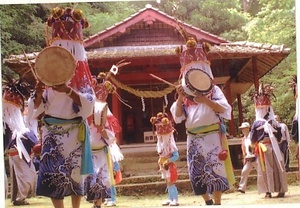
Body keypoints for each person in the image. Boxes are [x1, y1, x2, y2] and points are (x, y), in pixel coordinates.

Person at [170, 35, 234, 205]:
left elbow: (225, 110)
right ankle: (207, 201)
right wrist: (179, 99)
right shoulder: (183, 96)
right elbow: (177, 117)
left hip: (212, 135)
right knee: (196, 169)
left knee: (215, 167)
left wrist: (205, 100)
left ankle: (218, 201)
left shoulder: (214, 91)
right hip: (193, 138)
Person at [28, 47, 95, 208]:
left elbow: (89, 105)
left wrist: (69, 91)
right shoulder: (46, 84)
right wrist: (37, 93)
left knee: (75, 174)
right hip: (52, 134)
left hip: (74, 134)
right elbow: (35, 108)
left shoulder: (81, 83)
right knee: (52, 174)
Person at [85, 74, 124, 208]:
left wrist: (102, 130)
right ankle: (95, 203)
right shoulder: (86, 114)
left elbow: (111, 137)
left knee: (101, 178)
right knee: (92, 178)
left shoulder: (106, 114)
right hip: (89, 152)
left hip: (101, 151)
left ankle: (98, 204)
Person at [2, 77, 39, 206]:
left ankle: (19, 197)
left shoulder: (17, 129)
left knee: (22, 176)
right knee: (26, 176)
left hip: (15, 152)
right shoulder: (22, 129)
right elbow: (36, 144)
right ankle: (19, 198)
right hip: (18, 152)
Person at [249, 83, 288, 198]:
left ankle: (268, 191)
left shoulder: (256, 123)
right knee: (278, 166)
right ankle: (281, 190)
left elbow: (252, 139)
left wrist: (254, 144)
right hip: (275, 147)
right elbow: (280, 137)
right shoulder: (274, 123)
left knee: (265, 169)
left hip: (263, 148)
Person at [150, 112, 180, 206]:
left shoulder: (171, 144)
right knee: (167, 182)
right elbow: (161, 153)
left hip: (169, 165)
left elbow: (176, 156)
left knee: (171, 182)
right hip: (164, 165)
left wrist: (168, 161)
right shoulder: (160, 143)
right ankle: (170, 198)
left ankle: (175, 199)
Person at [236, 122, 257, 194]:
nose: (242, 130)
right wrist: (244, 157)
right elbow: (244, 148)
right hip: (248, 158)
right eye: (242, 129)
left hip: (255, 157)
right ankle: (242, 188)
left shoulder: (253, 136)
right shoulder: (243, 139)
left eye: (244, 128)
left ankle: (266, 188)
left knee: (261, 172)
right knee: (244, 171)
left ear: (248, 128)